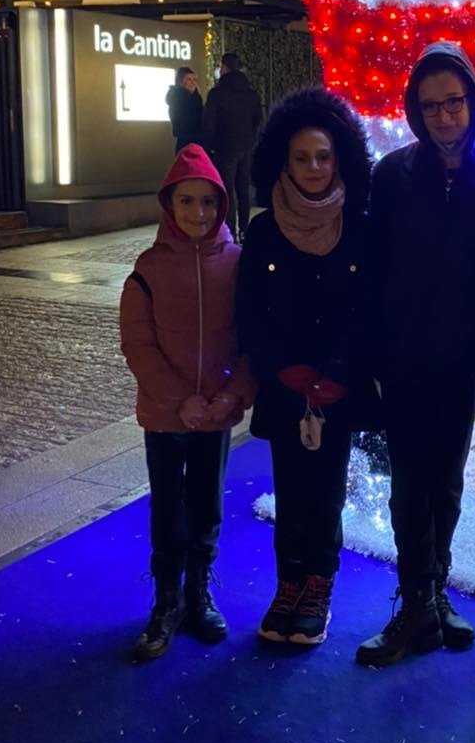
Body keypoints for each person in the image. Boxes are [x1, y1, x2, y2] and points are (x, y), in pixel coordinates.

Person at [355, 42, 475, 668]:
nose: (444, 116)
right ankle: (414, 600)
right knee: (408, 481)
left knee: (447, 479)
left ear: (471, 102)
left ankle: (435, 590)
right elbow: (373, 269)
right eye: (431, 106)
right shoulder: (392, 176)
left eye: (454, 102)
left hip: (462, 361)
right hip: (402, 357)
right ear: (415, 111)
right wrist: (374, 351)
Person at [237, 86, 376, 646]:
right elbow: (250, 310)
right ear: (284, 161)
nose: (314, 167)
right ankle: (288, 585)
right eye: (302, 158)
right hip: (285, 387)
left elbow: (370, 311)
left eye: (323, 156)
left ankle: (319, 585)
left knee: (326, 494)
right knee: (290, 491)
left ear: (339, 158)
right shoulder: (265, 229)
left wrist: (338, 372)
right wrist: (282, 368)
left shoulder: (359, 226)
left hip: (337, 389)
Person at [119, 143, 253, 662]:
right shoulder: (149, 269)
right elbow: (139, 343)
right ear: (169, 205)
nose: (198, 213)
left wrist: (232, 392)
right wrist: (178, 400)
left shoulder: (238, 265)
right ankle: (166, 600)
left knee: (206, 504)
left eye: (208, 202)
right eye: (187, 201)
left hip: (215, 414)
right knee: (167, 508)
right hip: (165, 415)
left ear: (221, 205)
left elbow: (251, 340)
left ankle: (198, 591)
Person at [203, 52, 263, 241]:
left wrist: (209, 146)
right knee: (243, 190)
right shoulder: (251, 94)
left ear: (224, 68)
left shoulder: (217, 94)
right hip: (246, 147)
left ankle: (230, 233)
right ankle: (245, 230)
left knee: (227, 191)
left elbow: (209, 123)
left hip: (224, 148)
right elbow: (258, 120)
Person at [166, 66, 204, 154]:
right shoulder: (178, 98)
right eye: (189, 79)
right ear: (180, 82)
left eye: (194, 79)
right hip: (186, 141)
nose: (193, 82)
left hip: (195, 141)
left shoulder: (195, 97)